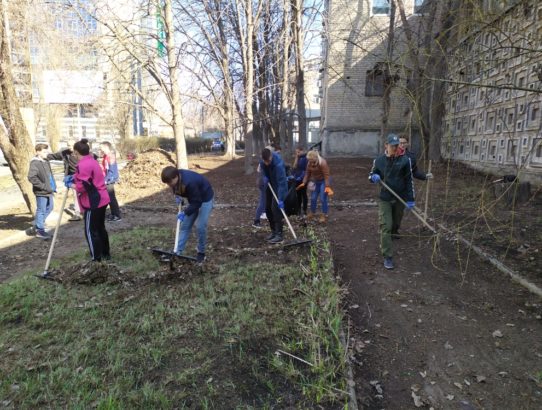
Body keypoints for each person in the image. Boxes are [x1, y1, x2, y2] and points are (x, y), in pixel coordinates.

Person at [369, 133, 415, 270]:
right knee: (386, 226)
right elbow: (370, 175)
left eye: (397, 146)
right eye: (392, 146)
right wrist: (374, 177)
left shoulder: (405, 160)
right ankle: (387, 256)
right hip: (385, 198)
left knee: (395, 223)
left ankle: (394, 232)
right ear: (386, 146)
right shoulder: (379, 161)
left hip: (399, 197)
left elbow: (409, 181)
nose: (395, 148)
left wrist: (411, 199)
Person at [66, 139, 111, 262]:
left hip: (93, 201)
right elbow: (87, 177)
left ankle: (96, 259)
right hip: (102, 198)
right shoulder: (92, 160)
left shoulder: (83, 164)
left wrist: (72, 185)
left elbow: (84, 186)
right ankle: (105, 254)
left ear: (76, 152)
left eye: (74, 153)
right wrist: (74, 177)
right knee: (100, 227)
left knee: (90, 231)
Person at [161, 166, 214, 263]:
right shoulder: (175, 178)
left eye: (169, 182)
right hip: (194, 199)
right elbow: (176, 187)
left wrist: (185, 212)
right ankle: (177, 251)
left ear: (176, 177)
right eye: (167, 183)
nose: (169, 185)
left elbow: (197, 203)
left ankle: (201, 252)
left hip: (205, 199)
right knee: (185, 226)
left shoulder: (190, 182)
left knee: (200, 226)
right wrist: (178, 196)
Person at [27, 144, 58, 239]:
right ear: (38, 152)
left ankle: (37, 225)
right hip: (41, 191)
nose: (46, 153)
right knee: (41, 210)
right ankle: (39, 230)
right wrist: (43, 186)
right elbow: (31, 177)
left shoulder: (45, 161)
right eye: (44, 152)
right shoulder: (35, 163)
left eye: (47, 151)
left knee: (50, 207)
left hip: (49, 190)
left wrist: (53, 186)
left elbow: (49, 175)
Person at [47, 142, 82, 221]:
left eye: (71, 145)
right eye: (68, 145)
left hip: (81, 176)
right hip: (71, 177)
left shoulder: (81, 152)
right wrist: (45, 156)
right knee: (75, 195)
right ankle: (77, 214)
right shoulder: (66, 153)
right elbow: (55, 156)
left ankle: (86, 210)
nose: (69, 147)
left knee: (83, 194)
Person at [297, 150, 333, 223]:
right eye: (309, 160)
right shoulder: (309, 163)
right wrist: (304, 182)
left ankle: (324, 214)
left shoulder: (322, 163)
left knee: (323, 198)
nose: (309, 161)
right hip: (316, 181)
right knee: (313, 198)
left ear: (315, 158)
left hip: (324, 181)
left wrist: (327, 186)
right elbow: (307, 173)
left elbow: (326, 175)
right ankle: (312, 212)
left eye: (311, 160)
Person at [260, 147, 288, 243]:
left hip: (279, 185)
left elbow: (282, 183)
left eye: (268, 161)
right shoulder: (263, 161)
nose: (267, 163)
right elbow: (262, 169)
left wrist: (280, 199)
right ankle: (273, 231)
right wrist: (265, 176)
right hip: (270, 183)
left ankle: (279, 234)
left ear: (271, 156)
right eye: (265, 161)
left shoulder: (279, 165)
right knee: (267, 208)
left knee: (275, 208)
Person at [99, 141, 121, 222]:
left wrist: (106, 180)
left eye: (101, 148)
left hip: (110, 180)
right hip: (108, 179)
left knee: (111, 198)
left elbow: (111, 170)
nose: (100, 149)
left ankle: (117, 216)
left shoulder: (110, 156)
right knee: (109, 198)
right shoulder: (106, 156)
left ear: (106, 147)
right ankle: (114, 213)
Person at [292, 144, 308, 216]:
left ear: (302, 151)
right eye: (296, 152)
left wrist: (302, 177)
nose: (297, 153)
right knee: (298, 194)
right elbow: (295, 168)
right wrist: (293, 176)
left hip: (304, 179)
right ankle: (298, 209)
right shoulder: (298, 158)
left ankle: (304, 210)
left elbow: (306, 170)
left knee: (303, 194)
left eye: (298, 152)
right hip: (297, 179)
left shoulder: (306, 158)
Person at [252, 163, 268, 228]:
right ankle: (256, 221)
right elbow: (258, 170)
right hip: (263, 183)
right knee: (262, 202)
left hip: (263, 182)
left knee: (265, 200)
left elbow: (258, 170)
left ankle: (264, 213)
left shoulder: (263, 160)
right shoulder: (264, 161)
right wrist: (263, 177)